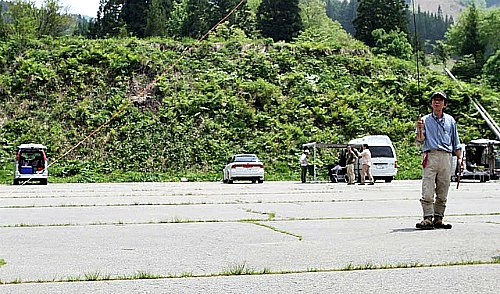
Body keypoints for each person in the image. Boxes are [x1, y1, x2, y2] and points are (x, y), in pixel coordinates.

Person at [415, 91, 463, 229]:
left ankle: (439, 218)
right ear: (431, 104)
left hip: (447, 156)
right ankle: (427, 218)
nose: (437, 102)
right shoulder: (424, 120)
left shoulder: (451, 120)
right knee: (428, 187)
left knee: (444, 187)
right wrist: (419, 129)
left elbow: (456, 142)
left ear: (444, 104)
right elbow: (420, 140)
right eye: (434, 100)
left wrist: (459, 159)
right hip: (430, 155)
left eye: (440, 100)